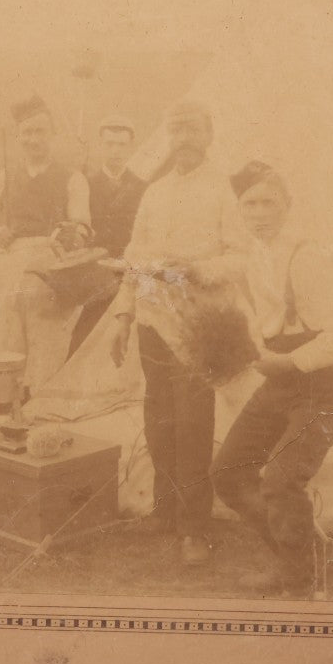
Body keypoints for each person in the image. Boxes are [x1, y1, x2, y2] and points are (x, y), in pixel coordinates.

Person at [211, 161, 333, 596]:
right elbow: (269, 323)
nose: (259, 213)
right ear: (239, 209)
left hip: (326, 388)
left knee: (280, 480)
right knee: (228, 473)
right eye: (250, 204)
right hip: (282, 385)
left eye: (269, 203)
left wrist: (291, 362)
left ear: (288, 205)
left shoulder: (309, 257)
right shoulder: (256, 256)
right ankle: (303, 552)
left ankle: (300, 584)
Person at [110, 99, 250, 567]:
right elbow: (134, 254)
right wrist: (123, 315)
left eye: (192, 130)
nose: (184, 139)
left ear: (208, 135)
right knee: (159, 420)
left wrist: (196, 269)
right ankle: (164, 512)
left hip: (197, 325)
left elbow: (241, 257)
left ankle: (194, 527)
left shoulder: (223, 191)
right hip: (153, 320)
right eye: (176, 130)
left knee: (192, 425)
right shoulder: (155, 192)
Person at [0, 94, 91, 393]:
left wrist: (72, 234)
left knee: (46, 345)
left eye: (40, 131)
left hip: (49, 268)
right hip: (8, 269)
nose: (33, 139)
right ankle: (6, 405)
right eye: (26, 132)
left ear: (52, 134)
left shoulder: (72, 178)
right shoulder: (3, 177)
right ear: (18, 137)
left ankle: (41, 407)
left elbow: (83, 227)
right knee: (6, 345)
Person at [67, 114, 146, 356]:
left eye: (121, 144)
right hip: (95, 275)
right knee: (84, 341)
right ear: (100, 145)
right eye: (109, 144)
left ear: (131, 147)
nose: (115, 151)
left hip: (129, 272)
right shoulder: (84, 184)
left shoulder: (142, 187)